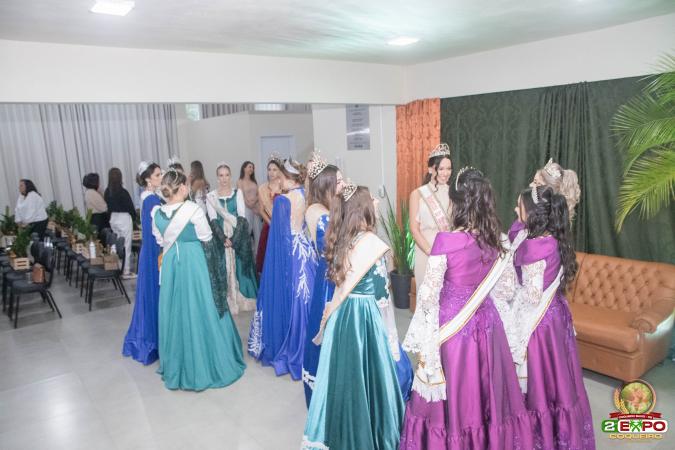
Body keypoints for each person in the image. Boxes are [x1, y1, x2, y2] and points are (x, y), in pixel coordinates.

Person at [400, 168, 532, 450]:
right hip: (489, 327)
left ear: (456, 203)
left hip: (453, 332)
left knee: (456, 399)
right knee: (488, 396)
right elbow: (507, 290)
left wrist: (426, 344)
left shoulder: (445, 241)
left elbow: (428, 297)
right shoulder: (498, 240)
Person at [302, 184, 409, 450]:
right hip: (365, 321)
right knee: (368, 379)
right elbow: (382, 298)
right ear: (362, 209)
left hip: (342, 318)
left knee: (343, 379)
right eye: (371, 201)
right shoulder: (372, 245)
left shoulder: (341, 240)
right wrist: (392, 341)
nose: (375, 204)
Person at [501, 186, 595, 449]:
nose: (515, 209)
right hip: (556, 315)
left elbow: (532, 296)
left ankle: (536, 437)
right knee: (559, 382)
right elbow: (515, 232)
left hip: (537, 326)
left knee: (538, 385)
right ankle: (560, 433)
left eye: (519, 206)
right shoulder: (552, 237)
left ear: (532, 213)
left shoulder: (535, 247)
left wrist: (506, 287)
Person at [151, 169, 246, 390]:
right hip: (194, 262)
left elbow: (160, 240)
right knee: (201, 306)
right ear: (183, 188)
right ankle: (206, 362)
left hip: (171, 263)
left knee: (175, 308)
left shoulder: (156, 213)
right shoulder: (192, 209)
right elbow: (206, 236)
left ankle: (178, 363)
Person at [248, 158, 317, 380]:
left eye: (280, 177)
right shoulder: (305, 195)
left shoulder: (282, 201)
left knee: (288, 295)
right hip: (304, 250)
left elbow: (278, 236)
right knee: (305, 298)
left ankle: (288, 343)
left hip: (289, 252)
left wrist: (273, 268)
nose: (277, 180)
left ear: (288, 178)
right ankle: (310, 343)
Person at [302, 152, 342, 406]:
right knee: (327, 328)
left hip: (328, 274)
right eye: (339, 181)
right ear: (327, 185)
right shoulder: (319, 213)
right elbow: (333, 247)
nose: (343, 184)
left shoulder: (326, 208)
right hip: (330, 278)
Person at [122, 162, 163, 364]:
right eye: (157, 174)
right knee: (155, 291)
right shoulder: (152, 199)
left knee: (151, 292)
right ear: (148, 179)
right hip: (155, 250)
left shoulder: (148, 196)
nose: (161, 177)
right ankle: (155, 338)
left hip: (149, 250)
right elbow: (158, 230)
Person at [206, 164, 257, 315]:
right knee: (222, 267)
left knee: (241, 266)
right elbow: (213, 220)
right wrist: (223, 238)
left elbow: (242, 216)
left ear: (230, 176)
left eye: (227, 175)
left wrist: (234, 239)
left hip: (237, 236)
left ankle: (243, 298)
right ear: (217, 177)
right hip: (220, 237)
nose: (224, 179)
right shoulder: (211, 197)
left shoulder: (237, 193)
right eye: (221, 175)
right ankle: (227, 299)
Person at [409, 143, 453, 286]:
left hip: (448, 251)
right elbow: (414, 229)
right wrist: (430, 251)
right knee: (426, 291)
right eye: (441, 168)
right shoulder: (418, 194)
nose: (445, 173)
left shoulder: (454, 194)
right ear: (430, 169)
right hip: (425, 251)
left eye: (449, 168)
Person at [104, 168, 136, 279]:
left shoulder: (107, 192)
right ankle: (126, 271)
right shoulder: (123, 192)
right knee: (126, 245)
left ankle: (118, 267)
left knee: (116, 245)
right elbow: (131, 208)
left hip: (113, 218)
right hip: (124, 218)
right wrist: (134, 219)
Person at [256, 156, 283, 273]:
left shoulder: (284, 187)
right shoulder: (262, 188)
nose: (271, 172)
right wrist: (271, 224)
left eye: (274, 169)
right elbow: (261, 210)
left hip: (284, 225)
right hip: (269, 225)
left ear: (280, 171)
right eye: (269, 169)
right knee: (268, 257)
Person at [237, 161, 262, 254]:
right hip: (246, 208)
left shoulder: (254, 181)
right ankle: (247, 253)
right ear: (244, 168)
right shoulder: (240, 181)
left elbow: (258, 194)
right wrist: (249, 205)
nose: (251, 169)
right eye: (249, 167)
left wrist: (254, 204)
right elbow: (241, 196)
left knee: (258, 232)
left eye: (252, 167)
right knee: (247, 232)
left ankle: (258, 255)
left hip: (256, 209)